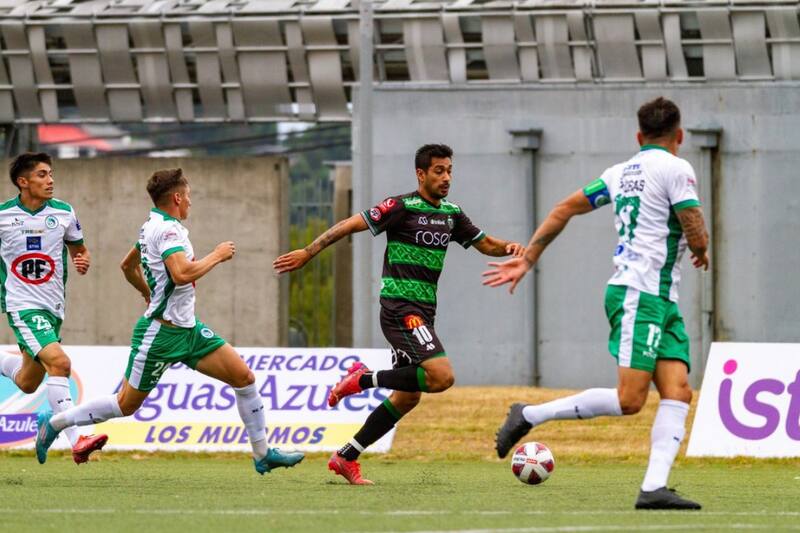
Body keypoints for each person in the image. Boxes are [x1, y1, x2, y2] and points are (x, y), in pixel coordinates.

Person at [484, 97, 709, 510]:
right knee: (630, 400)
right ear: (679, 136)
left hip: (660, 297)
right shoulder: (678, 168)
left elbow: (563, 208)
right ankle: (530, 414)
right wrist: (701, 248)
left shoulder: (618, 174)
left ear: (639, 137)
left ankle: (653, 488)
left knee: (678, 391)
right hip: (640, 294)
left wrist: (528, 258)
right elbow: (694, 226)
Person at [274, 144, 524, 485]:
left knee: (408, 396)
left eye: (449, 170)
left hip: (424, 312)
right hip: (400, 310)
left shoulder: (452, 214)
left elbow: (485, 243)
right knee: (441, 376)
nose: (446, 177)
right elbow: (351, 224)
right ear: (421, 174)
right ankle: (361, 380)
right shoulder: (401, 206)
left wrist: (512, 249)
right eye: (439, 171)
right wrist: (309, 250)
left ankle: (346, 457)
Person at [36, 168, 304, 475]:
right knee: (125, 404)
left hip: (189, 331)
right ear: (176, 198)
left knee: (243, 378)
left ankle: (262, 454)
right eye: (188, 196)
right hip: (160, 335)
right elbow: (181, 273)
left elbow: (127, 266)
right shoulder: (167, 231)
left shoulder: (154, 224)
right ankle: (55, 422)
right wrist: (216, 254)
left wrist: (147, 292)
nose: (190, 202)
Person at [0, 152, 107, 464]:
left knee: (28, 382)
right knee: (60, 364)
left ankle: (49, 421)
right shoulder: (3, 216)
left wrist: (82, 259)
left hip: (53, 308)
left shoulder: (63, 212)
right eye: (42, 175)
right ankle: (76, 438)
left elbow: (79, 248)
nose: (50, 180)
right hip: (20, 305)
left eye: (51, 174)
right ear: (23, 182)